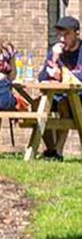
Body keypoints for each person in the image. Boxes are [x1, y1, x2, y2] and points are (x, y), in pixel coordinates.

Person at [39, 16, 82, 159]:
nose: (62, 39)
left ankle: (57, 150)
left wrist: (62, 75)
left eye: (67, 34)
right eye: (60, 35)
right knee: (36, 105)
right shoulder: (55, 51)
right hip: (57, 96)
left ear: (76, 33)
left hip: (78, 97)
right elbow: (42, 77)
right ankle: (52, 149)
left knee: (64, 103)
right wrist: (54, 59)